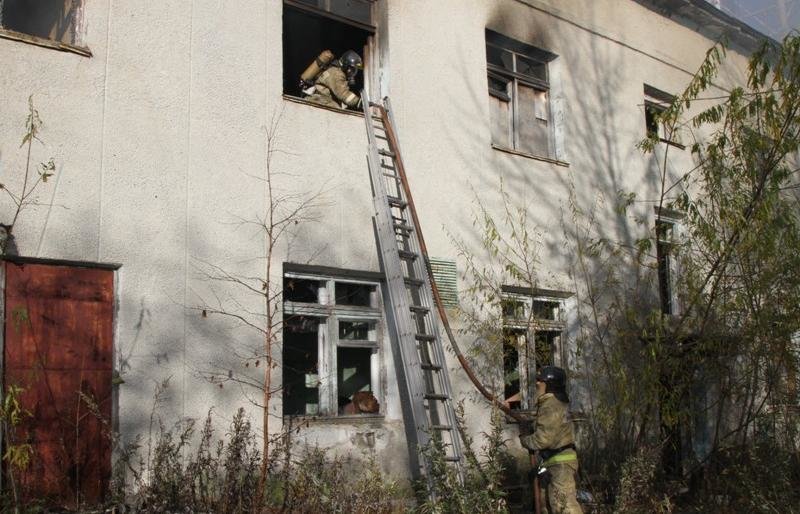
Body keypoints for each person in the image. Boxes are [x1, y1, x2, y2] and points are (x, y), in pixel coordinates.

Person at [520, 366, 582, 514]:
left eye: (540, 381)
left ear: (550, 384)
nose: (536, 384)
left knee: (564, 506)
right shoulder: (554, 403)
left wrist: (525, 440)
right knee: (547, 505)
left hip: (560, 465)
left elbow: (542, 440)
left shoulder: (551, 405)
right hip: (555, 462)